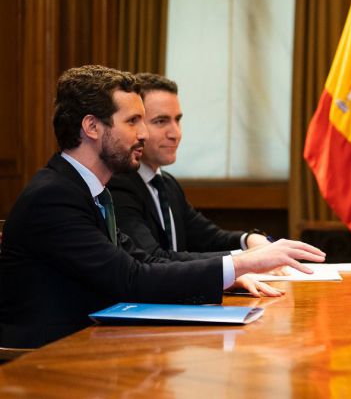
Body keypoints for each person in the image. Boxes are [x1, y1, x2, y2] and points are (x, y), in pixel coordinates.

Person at [0, 65, 325, 348]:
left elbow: (144, 259)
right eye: (132, 121)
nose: (143, 134)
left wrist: (232, 270)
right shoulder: (54, 196)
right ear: (92, 127)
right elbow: (131, 278)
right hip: (48, 362)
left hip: (96, 344)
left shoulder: (90, 191)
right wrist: (241, 264)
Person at [107, 73, 281, 297]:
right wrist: (243, 262)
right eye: (161, 121)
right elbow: (154, 257)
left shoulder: (166, 184)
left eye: (177, 120)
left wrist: (248, 240)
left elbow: (208, 237)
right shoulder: (118, 185)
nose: (175, 133)